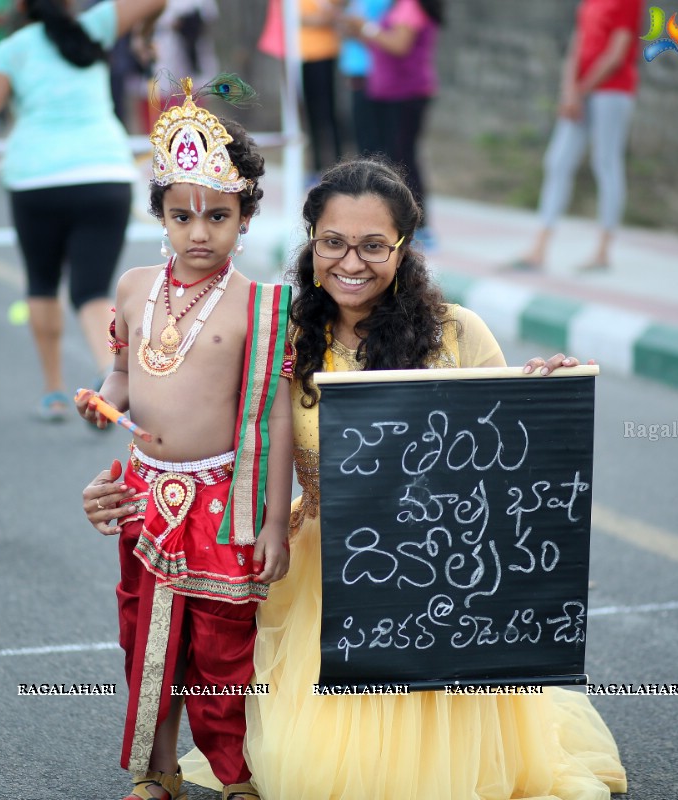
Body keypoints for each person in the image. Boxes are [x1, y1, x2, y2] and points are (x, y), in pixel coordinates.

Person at [87, 157, 626, 800]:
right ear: (311, 242)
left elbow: (503, 453)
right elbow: (188, 427)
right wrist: (117, 483)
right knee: (303, 762)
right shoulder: (277, 333)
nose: (351, 262)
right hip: (321, 570)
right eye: (333, 242)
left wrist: (544, 389)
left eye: (374, 245)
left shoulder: (457, 333)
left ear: (404, 248)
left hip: (433, 580)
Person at [76, 78, 293, 800]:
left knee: (223, 649)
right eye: (181, 216)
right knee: (146, 643)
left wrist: (271, 521)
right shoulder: (136, 288)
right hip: (143, 493)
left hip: (220, 497)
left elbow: (276, 417)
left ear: (245, 219)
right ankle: (157, 770)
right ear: (162, 217)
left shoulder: (261, 309)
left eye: (218, 217)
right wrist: (100, 404)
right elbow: (119, 376)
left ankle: (235, 776)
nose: (199, 233)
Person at [0, 0, 165, 421]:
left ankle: (53, 392)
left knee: (42, 284)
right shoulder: (96, 26)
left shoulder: (10, 49)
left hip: (37, 179)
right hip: (104, 173)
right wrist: (143, 35)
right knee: (91, 291)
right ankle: (111, 380)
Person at [515, 0, 641, 273]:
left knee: (606, 162)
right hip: (580, 92)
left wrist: (581, 91)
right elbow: (578, 42)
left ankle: (603, 251)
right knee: (558, 161)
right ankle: (539, 248)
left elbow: (617, 53)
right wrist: (569, 90)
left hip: (612, 90)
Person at [343, 0, 442, 247]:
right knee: (387, 159)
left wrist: (366, 28)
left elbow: (399, 45)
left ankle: (421, 226)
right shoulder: (397, 7)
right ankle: (392, 220)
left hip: (406, 95)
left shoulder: (410, 6)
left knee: (403, 159)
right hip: (387, 94)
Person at [259, 0, 346, 178]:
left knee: (327, 113)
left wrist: (306, 20)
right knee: (308, 114)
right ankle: (316, 166)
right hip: (297, 55)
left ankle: (338, 165)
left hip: (322, 53)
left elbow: (332, 13)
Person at [337, 0, 390, 158]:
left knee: (373, 135)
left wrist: (357, 28)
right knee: (362, 131)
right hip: (356, 69)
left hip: (371, 70)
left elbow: (382, 36)